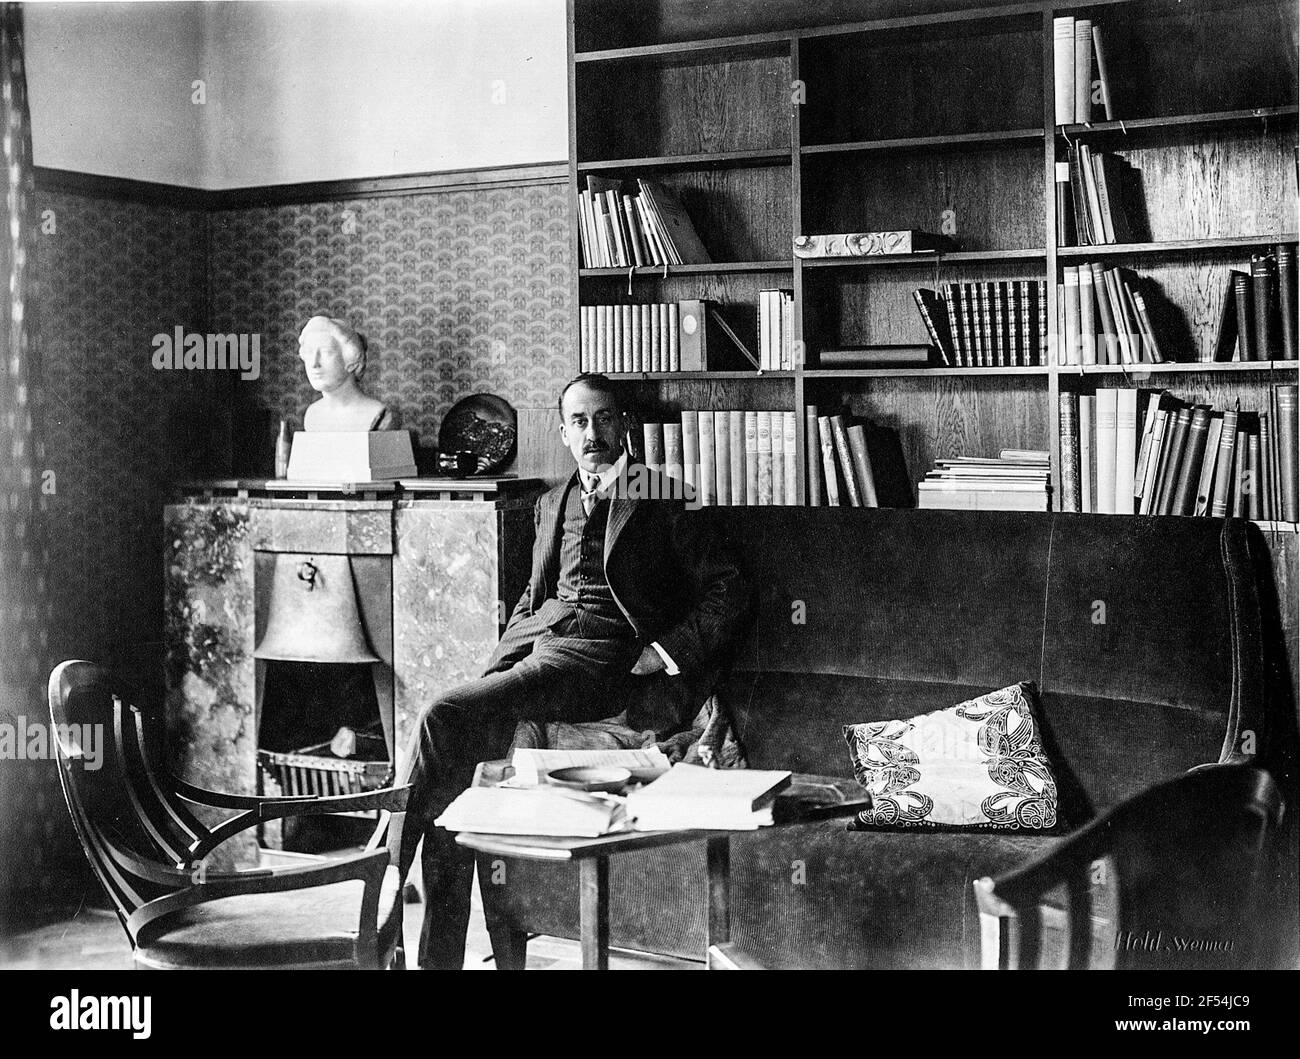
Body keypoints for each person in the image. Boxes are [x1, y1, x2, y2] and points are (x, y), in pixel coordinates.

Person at [395, 372, 752, 968]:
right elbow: (531, 601)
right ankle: (436, 953)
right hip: (547, 651)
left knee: (443, 714)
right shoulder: (550, 501)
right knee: (452, 765)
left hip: (607, 659)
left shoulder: (665, 495)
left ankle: (385, 878)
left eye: (605, 418)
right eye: (580, 422)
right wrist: (497, 670)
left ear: (625, 425)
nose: (593, 433)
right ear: (563, 432)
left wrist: (664, 653)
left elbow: (729, 588)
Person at [297, 315, 398, 430]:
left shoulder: (377, 414)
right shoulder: (313, 415)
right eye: (309, 353)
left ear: (352, 361)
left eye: (326, 352)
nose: (314, 364)